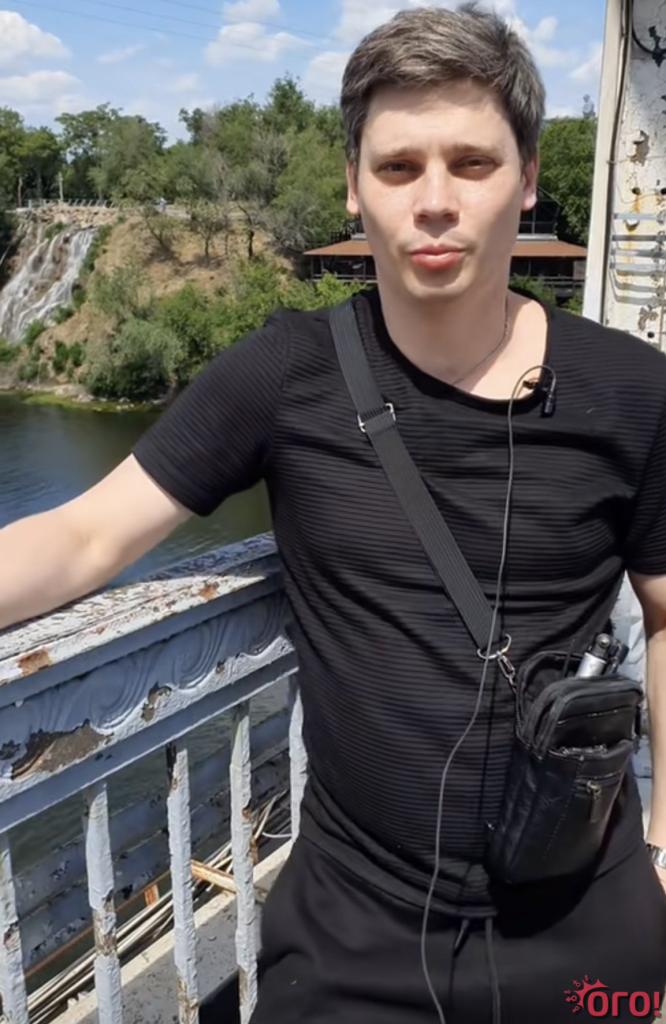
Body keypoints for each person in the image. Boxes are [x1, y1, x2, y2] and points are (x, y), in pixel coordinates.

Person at [2, 4, 666, 1022]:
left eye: (472, 163)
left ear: (528, 178)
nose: (434, 202)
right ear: (355, 186)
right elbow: (87, 533)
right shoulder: (287, 375)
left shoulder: (631, 390)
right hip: (356, 937)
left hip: (586, 922)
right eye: (398, 167)